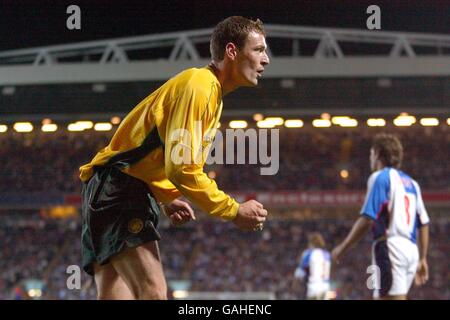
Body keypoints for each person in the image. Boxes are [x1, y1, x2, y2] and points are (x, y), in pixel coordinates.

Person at [79, 16, 270, 300]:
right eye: (258, 50)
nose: (265, 59)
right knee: (153, 292)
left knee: (115, 296)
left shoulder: (207, 90)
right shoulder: (201, 86)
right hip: (120, 189)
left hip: (110, 188)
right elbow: (182, 167)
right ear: (232, 51)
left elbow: (159, 154)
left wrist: (165, 196)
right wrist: (233, 210)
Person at [331, 133, 430, 300]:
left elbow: (368, 218)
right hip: (411, 250)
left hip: (390, 248)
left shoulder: (380, 177)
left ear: (377, 154)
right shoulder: (412, 183)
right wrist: (423, 258)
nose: (370, 159)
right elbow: (424, 223)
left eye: (371, 154)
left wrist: (342, 248)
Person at [293, 232, 331, 300]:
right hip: (325, 287)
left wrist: (295, 284)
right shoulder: (327, 255)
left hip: (314, 287)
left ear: (311, 243)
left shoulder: (309, 253)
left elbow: (300, 272)